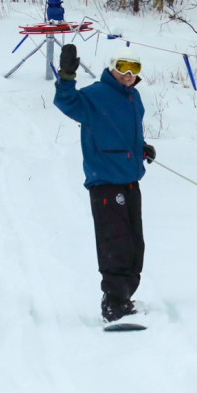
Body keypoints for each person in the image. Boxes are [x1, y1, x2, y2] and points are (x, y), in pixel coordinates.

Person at [53, 43, 156, 322]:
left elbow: (120, 132)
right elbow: (66, 102)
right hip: (106, 182)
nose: (127, 74)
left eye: (134, 69)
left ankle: (125, 297)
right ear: (112, 67)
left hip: (131, 181)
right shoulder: (96, 95)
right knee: (116, 242)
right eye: (122, 67)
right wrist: (66, 76)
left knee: (135, 244)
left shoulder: (134, 98)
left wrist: (141, 148)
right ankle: (113, 302)